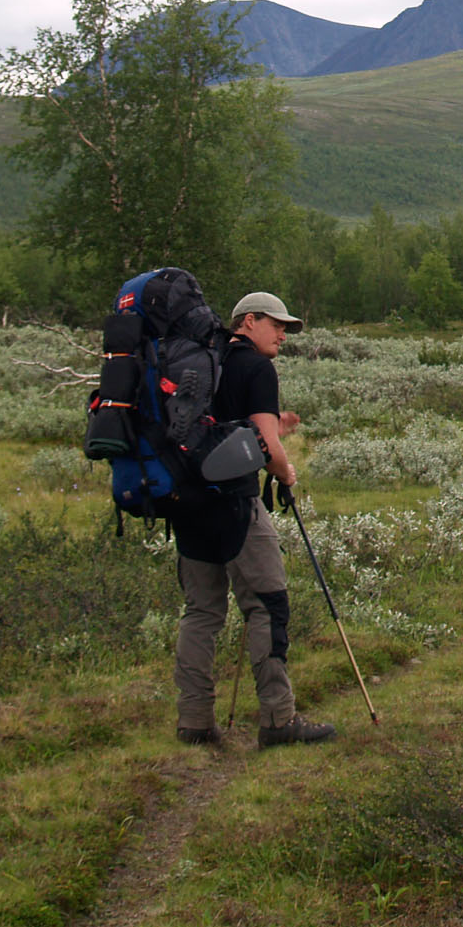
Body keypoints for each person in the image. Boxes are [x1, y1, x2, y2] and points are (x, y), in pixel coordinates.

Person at [172, 290, 336, 749]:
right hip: (234, 503)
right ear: (247, 322)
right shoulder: (256, 368)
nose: (283, 333)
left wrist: (271, 429)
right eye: (276, 324)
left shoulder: (205, 361)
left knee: (201, 612)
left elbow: (219, 427)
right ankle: (279, 720)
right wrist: (285, 470)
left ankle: (194, 722)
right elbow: (263, 445)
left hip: (186, 504)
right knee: (267, 605)